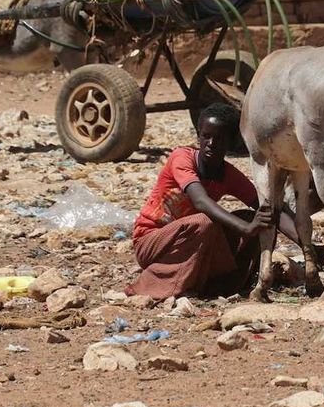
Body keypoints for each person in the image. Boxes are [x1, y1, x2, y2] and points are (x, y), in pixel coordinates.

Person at [126, 103, 303, 300]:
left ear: (231, 142)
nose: (210, 143)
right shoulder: (182, 158)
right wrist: (245, 228)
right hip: (151, 240)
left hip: (187, 243)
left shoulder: (228, 174)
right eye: (206, 136)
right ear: (198, 136)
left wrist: (307, 245)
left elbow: (270, 208)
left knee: (255, 217)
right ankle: (158, 286)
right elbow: (201, 201)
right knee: (205, 222)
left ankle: (224, 284)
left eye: (219, 138)